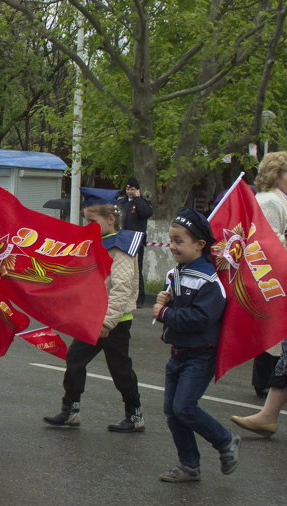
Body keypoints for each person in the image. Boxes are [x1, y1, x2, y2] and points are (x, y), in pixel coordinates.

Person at [42, 191, 145, 432]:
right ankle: (70, 411)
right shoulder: (97, 244)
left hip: (115, 321)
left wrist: (108, 323)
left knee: (120, 370)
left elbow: (122, 288)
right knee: (75, 359)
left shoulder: (121, 248)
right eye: (86, 221)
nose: (88, 226)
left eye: (92, 221)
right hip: (93, 317)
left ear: (111, 219)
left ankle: (135, 414)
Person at [153, 209, 239, 483]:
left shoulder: (209, 281)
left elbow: (202, 318)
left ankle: (225, 440)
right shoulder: (176, 273)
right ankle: (189, 465)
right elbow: (178, 309)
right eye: (171, 240)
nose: (173, 246)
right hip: (177, 353)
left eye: (179, 241)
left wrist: (164, 313)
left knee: (185, 408)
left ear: (200, 245)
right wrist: (165, 301)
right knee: (172, 412)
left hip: (200, 355)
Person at [232, 151, 287, 433]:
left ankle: (268, 412)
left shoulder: (283, 201)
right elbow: (263, 242)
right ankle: (266, 403)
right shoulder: (269, 201)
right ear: (275, 176)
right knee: (279, 344)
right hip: (279, 283)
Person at [117, 177, 153, 304]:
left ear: (137, 190)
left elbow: (146, 213)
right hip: (123, 240)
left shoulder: (142, 202)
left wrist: (137, 199)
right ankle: (125, 295)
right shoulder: (121, 202)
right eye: (128, 189)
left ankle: (139, 298)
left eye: (132, 189)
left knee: (136, 269)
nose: (129, 192)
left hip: (136, 241)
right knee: (123, 269)